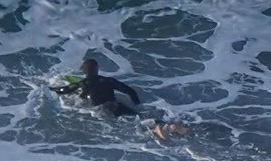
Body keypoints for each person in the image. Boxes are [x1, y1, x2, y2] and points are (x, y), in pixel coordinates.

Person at [53, 56, 187, 139]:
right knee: (140, 117)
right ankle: (169, 127)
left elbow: (64, 91)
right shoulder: (109, 80)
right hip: (117, 105)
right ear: (97, 69)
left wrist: (52, 87)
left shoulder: (82, 83)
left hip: (105, 109)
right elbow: (129, 91)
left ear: (84, 72)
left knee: (133, 124)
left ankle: (156, 130)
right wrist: (136, 104)